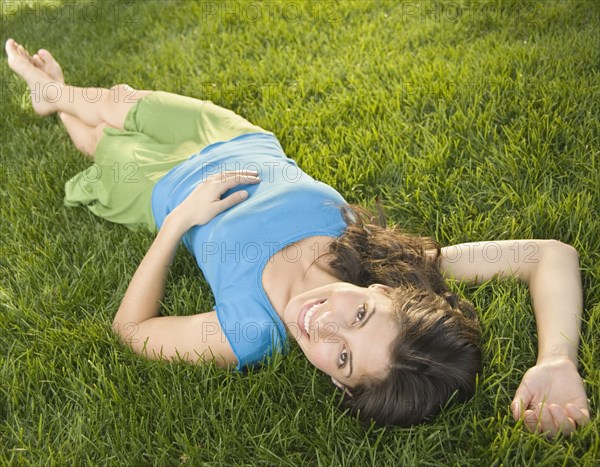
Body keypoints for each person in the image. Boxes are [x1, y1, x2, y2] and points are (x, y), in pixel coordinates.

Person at [5, 38, 590, 436]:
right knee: (117, 104)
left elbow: (131, 332)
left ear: (337, 380)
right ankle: (58, 92)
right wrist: (558, 359)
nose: (322, 324)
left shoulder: (250, 331)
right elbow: (547, 255)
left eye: (341, 356)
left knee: (99, 145)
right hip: (234, 135)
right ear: (387, 292)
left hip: (158, 191)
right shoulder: (379, 257)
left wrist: (180, 220)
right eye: (359, 316)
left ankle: (53, 98)